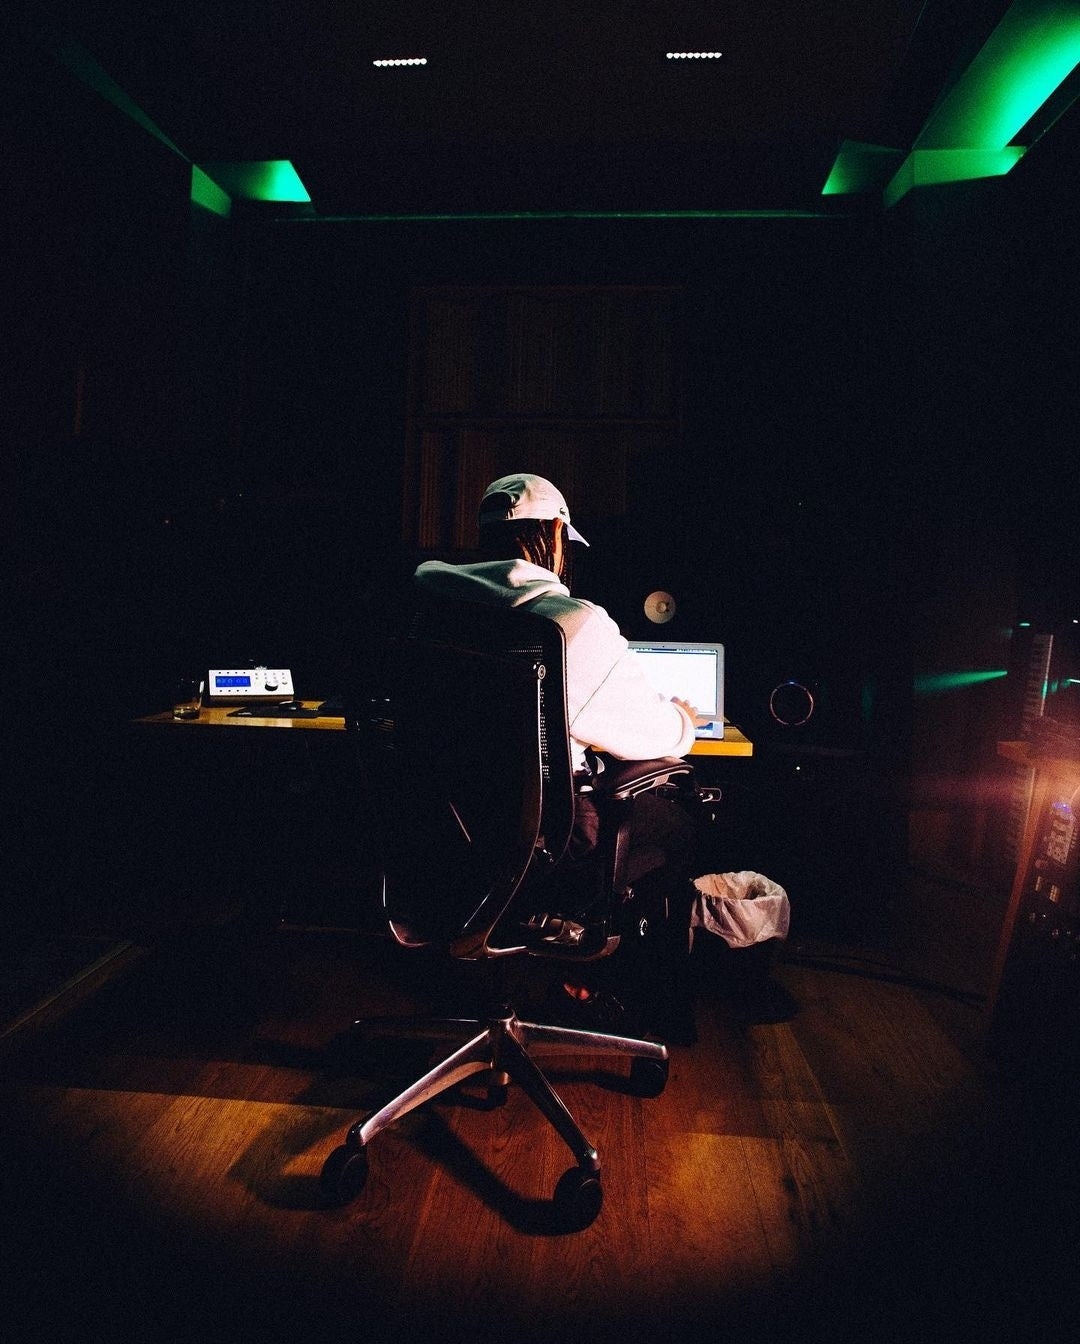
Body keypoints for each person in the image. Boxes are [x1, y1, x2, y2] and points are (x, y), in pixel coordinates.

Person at [413, 472, 710, 1037]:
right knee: (679, 820)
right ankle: (624, 995)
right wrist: (682, 720)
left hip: (436, 833)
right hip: (541, 844)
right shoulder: (573, 622)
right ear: (554, 534)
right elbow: (650, 735)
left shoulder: (425, 605)